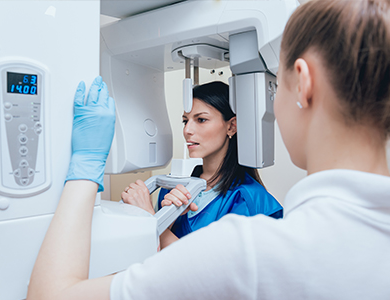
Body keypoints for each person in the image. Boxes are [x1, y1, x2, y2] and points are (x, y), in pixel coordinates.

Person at [27, 0, 390, 299]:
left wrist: (85, 168)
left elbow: (50, 294)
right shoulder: (189, 189)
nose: (188, 129)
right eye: (186, 119)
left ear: (304, 82)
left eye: (276, 85)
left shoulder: (249, 249)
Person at [121, 82, 282, 249]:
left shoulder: (248, 199)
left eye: (201, 120)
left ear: (231, 126)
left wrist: (150, 219)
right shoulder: (173, 187)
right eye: (185, 121)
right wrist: (164, 220)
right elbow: (151, 256)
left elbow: (212, 271)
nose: (187, 130)